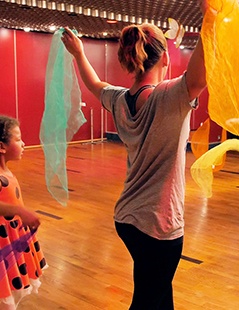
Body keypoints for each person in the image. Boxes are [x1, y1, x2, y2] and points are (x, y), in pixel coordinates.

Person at [61, 2, 208, 308]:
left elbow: (94, 83)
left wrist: (79, 54)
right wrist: (213, 20)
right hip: (159, 224)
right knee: (148, 298)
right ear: (165, 59)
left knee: (157, 291)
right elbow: (197, 79)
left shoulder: (118, 99)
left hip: (128, 217)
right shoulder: (169, 97)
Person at [0, 115, 46, 309]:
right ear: (1, 146)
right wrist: (19, 210)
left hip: (12, 239)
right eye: (18, 139)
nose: (24, 143)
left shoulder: (7, 173)